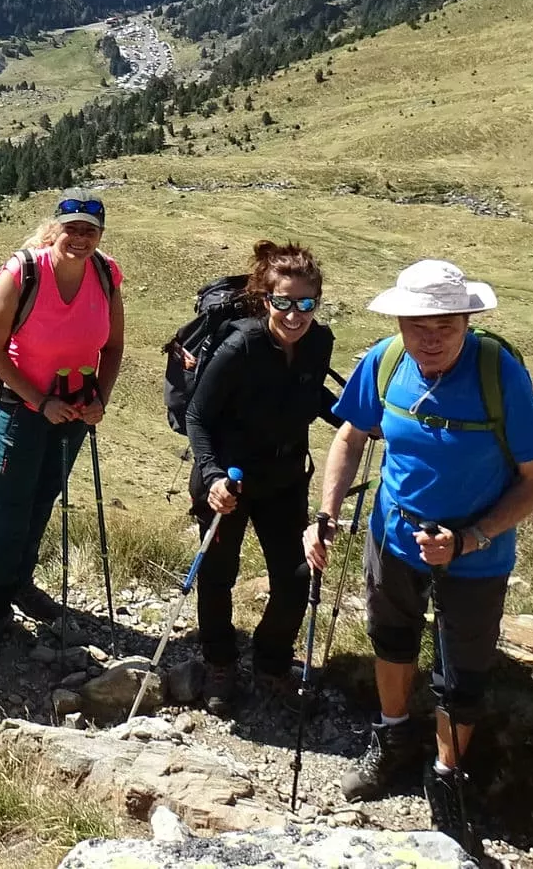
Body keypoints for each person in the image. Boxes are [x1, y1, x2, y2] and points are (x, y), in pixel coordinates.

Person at [305, 259, 533, 857]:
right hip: (393, 537)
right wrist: (327, 513)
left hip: (476, 556)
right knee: (391, 637)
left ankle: (446, 778)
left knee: (461, 673)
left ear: (468, 318)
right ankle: (393, 737)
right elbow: (350, 435)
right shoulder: (385, 361)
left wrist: (469, 539)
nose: (431, 338)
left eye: (445, 325)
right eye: (418, 325)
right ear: (399, 321)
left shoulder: (501, 375)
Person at [0, 190, 125, 657]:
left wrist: (101, 398)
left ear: (99, 235)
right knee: (12, 511)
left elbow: (112, 347)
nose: (79, 238)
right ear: (55, 228)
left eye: (89, 231)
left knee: (41, 502)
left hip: (74, 410)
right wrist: (40, 401)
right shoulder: (22, 272)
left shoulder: (105, 273)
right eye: (71, 228)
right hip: (19, 407)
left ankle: (20, 583)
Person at [185, 240, 338, 715]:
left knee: (295, 577)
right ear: (267, 299)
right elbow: (198, 416)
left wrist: (359, 422)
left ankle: (271, 666)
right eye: (284, 302)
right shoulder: (241, 346)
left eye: (306, 304)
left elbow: (313, 399)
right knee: (218, 573)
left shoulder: (319, 342)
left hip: (285, 478)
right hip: (229, 481)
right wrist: (211, 477)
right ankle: (219, 663)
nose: (295, 315)